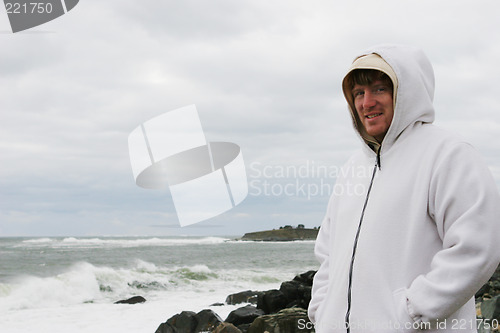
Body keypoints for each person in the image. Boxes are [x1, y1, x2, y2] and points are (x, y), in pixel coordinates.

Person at [308, 44, 500, 332]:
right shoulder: (352, 168)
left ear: (406, 92)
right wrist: (323, 315)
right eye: (359, 93)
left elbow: (477, 247)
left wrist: (412, 312)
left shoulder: (448, 154)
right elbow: (327, 256)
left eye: (379, 89)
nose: (366, 102)